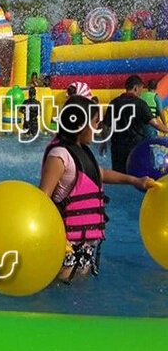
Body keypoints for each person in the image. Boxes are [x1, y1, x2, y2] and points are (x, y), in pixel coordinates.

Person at [40, 96, 154, 283]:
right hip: (64, 245)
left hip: (84, 244)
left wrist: (135, 180)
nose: (98, 128)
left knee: (76, 293)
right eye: (95, 122)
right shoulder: (59, 155)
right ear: (80, 124)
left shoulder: (81, 150)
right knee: (61, 289)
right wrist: (56, 241)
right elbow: (43, 199)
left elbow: (97, 173)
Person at [100, 75, 168, 173]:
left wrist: (103, 142)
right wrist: (166, 129)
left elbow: (106, 125)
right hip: (135, 147)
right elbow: (155, 124)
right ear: (136, 87)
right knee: (135, 177)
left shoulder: (114, 103)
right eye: (141, 89)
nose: (141, 92)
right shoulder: (140, 104)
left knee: (119, 177)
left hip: (117, 147)